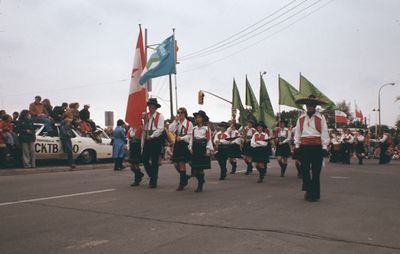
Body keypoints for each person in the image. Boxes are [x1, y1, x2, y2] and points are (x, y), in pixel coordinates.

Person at [294, 95, 329, 202]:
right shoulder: (301, 118)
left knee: (316, 171)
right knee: (304, 169)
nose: (310, 106)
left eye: (312, 105)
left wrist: (324, 147)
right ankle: (309, 189)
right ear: (306, 106)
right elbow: (297, 133)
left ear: (315, 106)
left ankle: (314, 195)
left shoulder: (321, 118)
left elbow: (325, 132)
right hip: (304, 146)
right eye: (308, 105)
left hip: (317, 146)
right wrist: (296, 146)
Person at [142, 98, 165, 188]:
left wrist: (152, 136)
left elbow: (160, 129)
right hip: (147, 139)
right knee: (144, 159)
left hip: (155, 139)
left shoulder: (160, 116)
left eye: (151, 106)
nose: (149, 107)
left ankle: (153, 180)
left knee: (154, 161)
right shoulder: (147, 116)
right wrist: (144, 119)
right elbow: (144, 127)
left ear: (155, 107)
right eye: (149, 106)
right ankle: (153, 176)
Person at [169, 107, 193, 191]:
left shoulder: (189, 123)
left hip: (184, 144)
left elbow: (190, 135)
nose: (179, 114)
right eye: (178, 113)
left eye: (181, 113)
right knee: (176, 164)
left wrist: (182, 138)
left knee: (182, 163)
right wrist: (175, 121)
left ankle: (181, 184)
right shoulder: (177, 123)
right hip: (177, 145)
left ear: (185, 114)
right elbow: (170, 129)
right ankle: (185, 177)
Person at [189, 110, 214, 192]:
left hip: (202, 147)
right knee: (194, 168)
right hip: (196, 147)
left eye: (199, 117)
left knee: (200, 168)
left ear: (203, 119)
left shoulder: (206, 128)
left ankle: (200, 185)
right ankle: (201, 180)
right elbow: (192, 139)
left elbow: (208, 139)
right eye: (196, 117)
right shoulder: (194, 128)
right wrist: (191, 147)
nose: (197, 119)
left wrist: (208, 149)